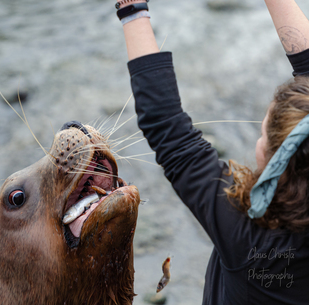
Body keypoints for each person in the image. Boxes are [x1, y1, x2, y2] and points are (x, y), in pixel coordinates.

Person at [116, 0, 309, 304]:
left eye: (262, 134)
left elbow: (172, 137)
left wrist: (130, 8)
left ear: (275, 165)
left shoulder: (250, 242)